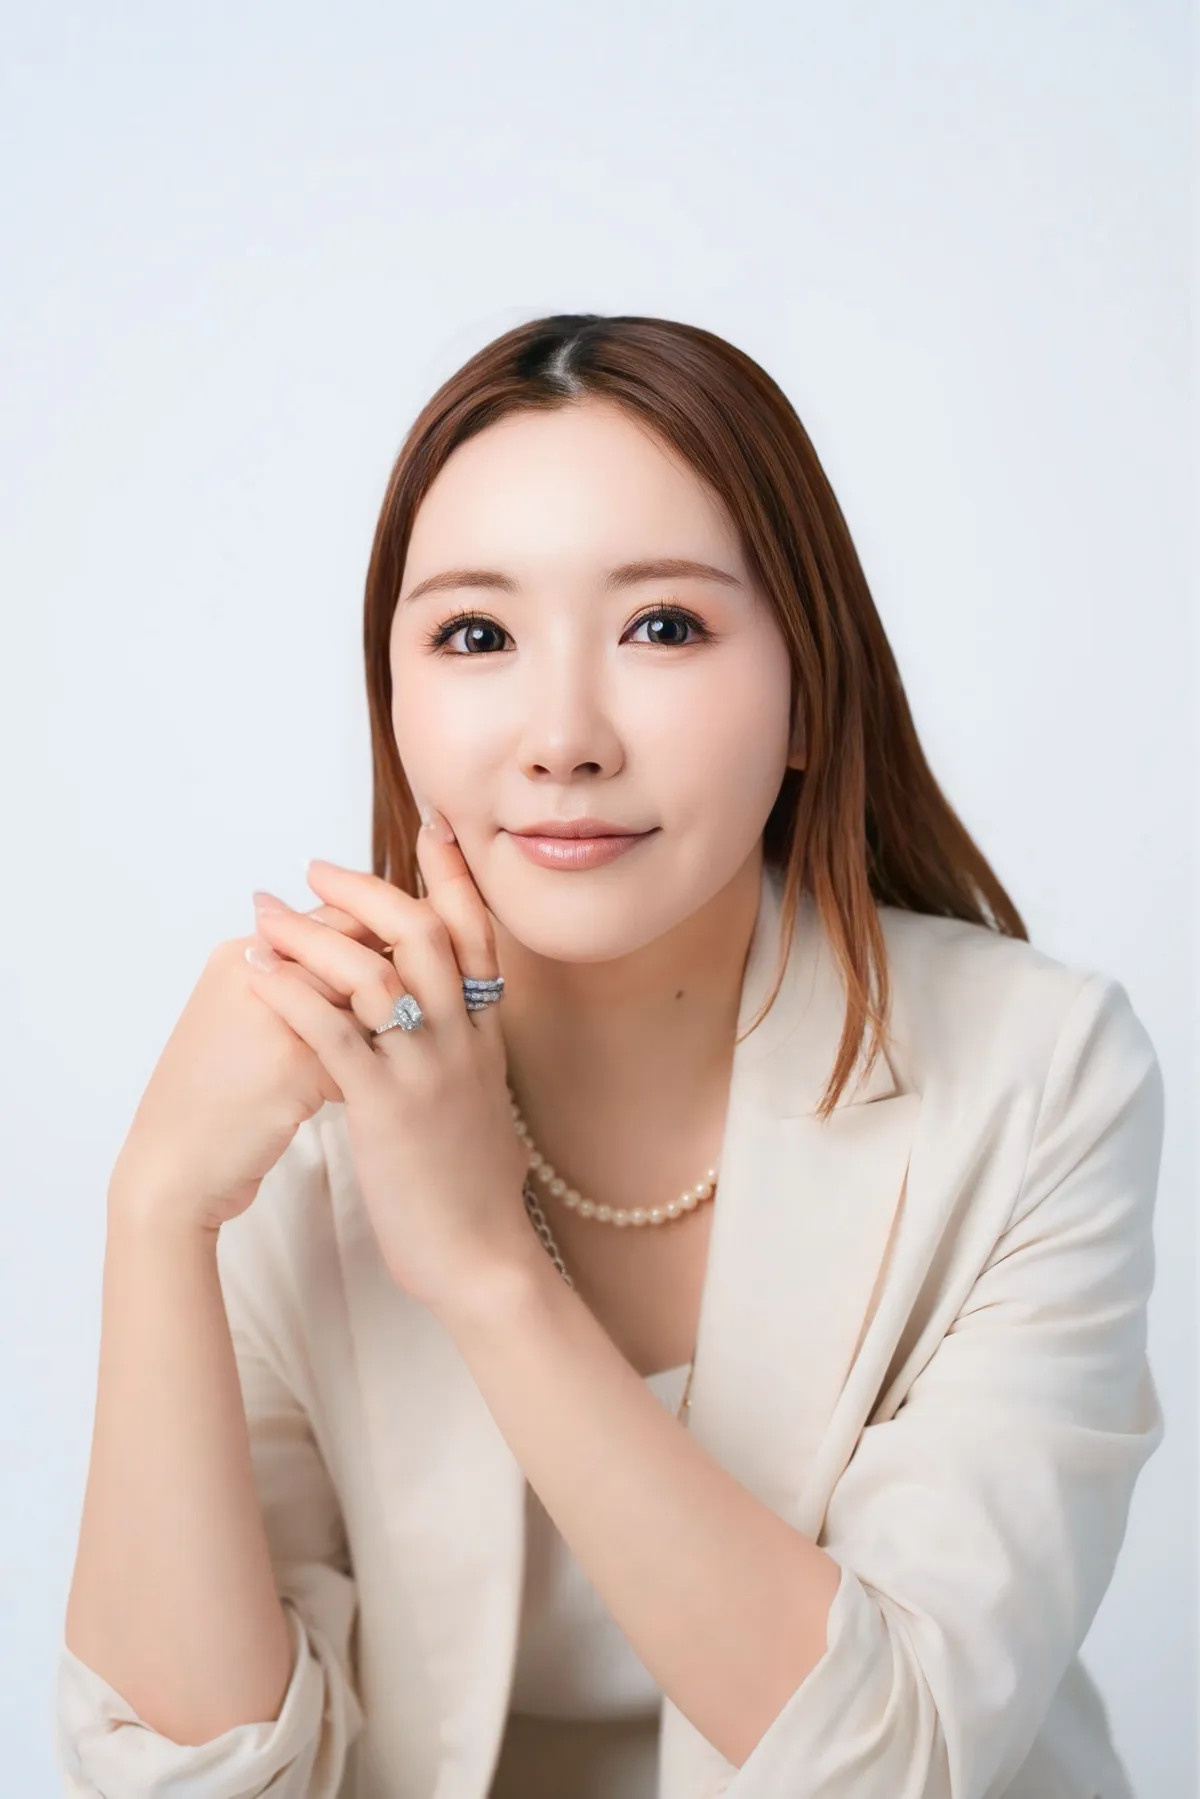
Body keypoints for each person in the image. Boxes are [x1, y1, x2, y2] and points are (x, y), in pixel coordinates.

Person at [53, 313, 1164, 1799]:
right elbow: (189, 1781)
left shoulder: (1038, 1074)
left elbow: (895, 1762)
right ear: (396, 698)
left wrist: (486, 1268)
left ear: (808, 694)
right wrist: (155, 1214)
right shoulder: (290, 1099)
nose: (564, 737)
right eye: (477, 635)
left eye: (663, 627)